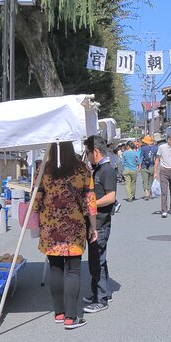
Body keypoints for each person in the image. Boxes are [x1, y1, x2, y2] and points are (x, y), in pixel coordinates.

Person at [34, 141, 97, 329]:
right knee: (73, 270)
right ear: (71, 147)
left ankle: (59, 313)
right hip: (74, 224)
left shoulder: (43, 169)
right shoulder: (82, 169)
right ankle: (71, 317)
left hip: (50, 226)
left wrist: (37, 221)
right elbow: (90, 199)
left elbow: (36, 199)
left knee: (55, 268)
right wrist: (93, 226)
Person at [83, 136, 116, 314]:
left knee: (97, 261)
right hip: (97, 220)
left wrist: (92, 204)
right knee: (97, 259)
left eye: (88, 153)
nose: (87, 157)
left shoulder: (107, 170)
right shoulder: (98, 169)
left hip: (101, 222)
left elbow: (111, 196)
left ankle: (101, 299)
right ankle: (101, 291)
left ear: (95, 151)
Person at [140, 136, 159, 200]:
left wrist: (139, 166)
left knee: (145, 181)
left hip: (144, 166)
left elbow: (141, 157)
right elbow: (157, 158)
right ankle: (150, 193)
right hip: (152, 166)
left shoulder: (143, 148)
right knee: (151, 180)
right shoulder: (156, 148)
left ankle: (147, 194)